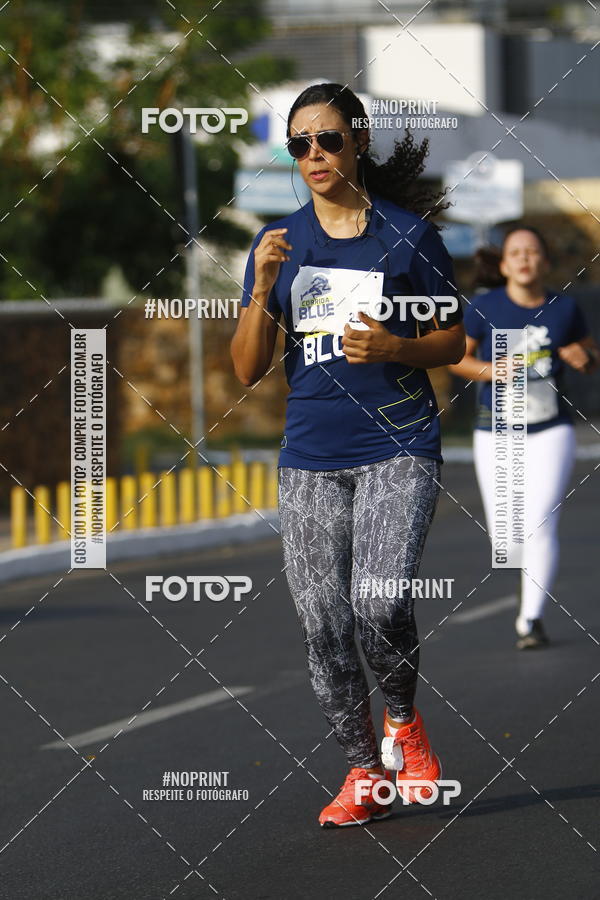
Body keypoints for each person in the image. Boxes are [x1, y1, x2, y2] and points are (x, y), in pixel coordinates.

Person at [230, 82, 465, 827]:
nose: (314, 156)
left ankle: (404, 721)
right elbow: (244, 369)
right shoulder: (277, 245)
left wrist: (399, 345)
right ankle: (365, 773)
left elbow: (454, 340)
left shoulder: (406, 236)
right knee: (324, 624)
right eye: (299, 144)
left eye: (328, 140)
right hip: (311, 453)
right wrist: (264, 287)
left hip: (399, 441)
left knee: (381, 599)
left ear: (358, 142)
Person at [449, 227, 599, 649]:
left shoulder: (564, 309)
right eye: (516, 252)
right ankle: (525, 595)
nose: (525, 258)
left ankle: (530, 619)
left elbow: (590, 360)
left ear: (545, 263)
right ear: (503, 264)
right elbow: (456, 357)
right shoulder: (485, 306)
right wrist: (489, 370)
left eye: (533, 251)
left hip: (551, 429)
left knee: (540, 524)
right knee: (507, 537)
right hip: (496, 430)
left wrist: (583, 357)